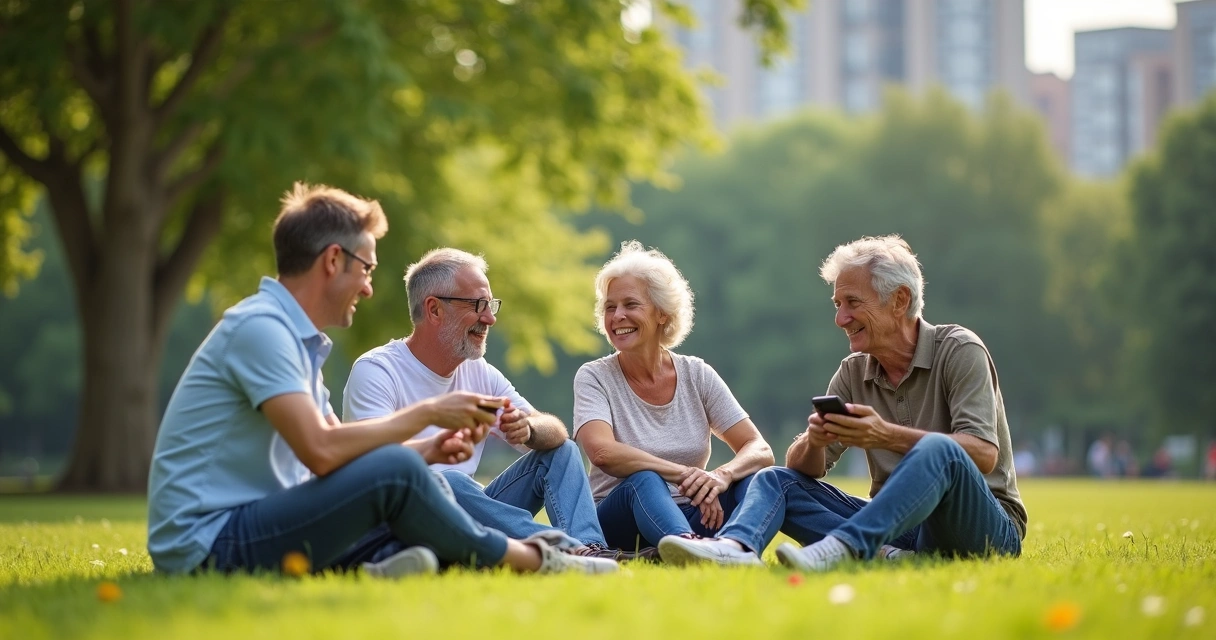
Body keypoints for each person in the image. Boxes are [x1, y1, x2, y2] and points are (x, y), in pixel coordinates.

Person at [146, 183, 616, 577]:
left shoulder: (295, 340)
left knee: (413, 494)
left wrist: (429, 450)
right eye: (366, 268)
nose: (369, 287)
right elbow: (324, 452)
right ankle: (538, 557)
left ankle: (387, 562)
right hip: (207, 542)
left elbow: (337, 449)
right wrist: (429, 417)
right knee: (414, 481)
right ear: (334, 260)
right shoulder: (262, 329)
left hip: (255, 524)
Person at [658, 235, 1026, 571]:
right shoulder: (853, 371)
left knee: (940, 450)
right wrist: (814, 441)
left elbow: (981, 453)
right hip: (903, 529)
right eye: (837, 304)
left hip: (984, 528)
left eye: (852, 303)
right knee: (776, 479)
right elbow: (805, 470)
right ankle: (735, 548)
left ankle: (848, 547)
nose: (840, 319)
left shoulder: (960, 350)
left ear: (899, 300)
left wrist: (883, 435)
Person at [343, 248, 637, 560]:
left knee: (559, 450)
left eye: (491, 304)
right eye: (478, 305)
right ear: (434, 310)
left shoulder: (479, 372)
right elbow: (373, 466)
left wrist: (528, 429)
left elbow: (555, 432)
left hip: (467, 516)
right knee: (448, 481)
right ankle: (564, 549)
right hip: (402, 525)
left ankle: (593, 551)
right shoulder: (377, 371)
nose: (490, 318)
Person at [573, 241, 775, 556]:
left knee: (760, 479)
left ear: (662, 314)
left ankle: (737, 549)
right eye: (610, 307)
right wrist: (684, 474)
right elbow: (602, 452)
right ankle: (694, 551)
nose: (617, 316)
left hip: (697, 510)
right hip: (621, 518)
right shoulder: (594, 376)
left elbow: (759, 448)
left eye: (630, 304)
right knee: (645, 478)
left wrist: (720, 477)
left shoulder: (697, 373)